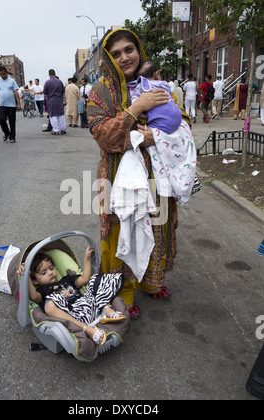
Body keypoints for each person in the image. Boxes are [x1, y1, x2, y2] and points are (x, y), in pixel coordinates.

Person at [87, 29, 190, 320]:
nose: (124, 57)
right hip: (117, 176)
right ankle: (122, 291)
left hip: (156, 177)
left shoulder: (156, 83)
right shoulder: (101, 91)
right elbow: (102, 134)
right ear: (108, 58)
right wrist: (137, 108)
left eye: (129, 49)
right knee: (122, 232)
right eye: (116, 53)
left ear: (138, 50)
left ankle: (148, 281)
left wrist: (154, 137)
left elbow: (181, 122)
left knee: (155, 229)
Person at [17, 248, 126, 346]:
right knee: (49, 305)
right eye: (44, 272)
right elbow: (34, 297)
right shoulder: (43, 291)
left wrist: (86, 259)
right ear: (35, 280)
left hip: (89, 306)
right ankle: (87, 329)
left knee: (96, 279)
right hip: (74, 317)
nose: (50, 273)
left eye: (51, 268)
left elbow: (84, 279)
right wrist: (27, 278)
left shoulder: (66, 280)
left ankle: (107, 309)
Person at [132, 61, 182, 134]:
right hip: (178, 119)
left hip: (159, 124)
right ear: (157, 74)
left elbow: (134, 101)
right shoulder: (164, 85)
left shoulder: (141, 86)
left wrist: (139, 112)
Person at [0, 66, 21, 143]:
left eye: (4, 74)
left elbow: (16, 92)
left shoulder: (12, 81)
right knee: (1, 119)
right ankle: (6, 132)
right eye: (1, 74)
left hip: (11, 105)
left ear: (6, 72)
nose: (2, 76)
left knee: (12, 122)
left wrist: (18, 104)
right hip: (1, 105)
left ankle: (12, 137)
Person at [43, 69, 66, 135]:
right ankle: (63, 129)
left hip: (51, 100)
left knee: (53, 115)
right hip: (59, 100)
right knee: (61, 115)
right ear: (55, 73)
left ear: (49, 74)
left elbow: (45, 92)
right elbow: (63, 91)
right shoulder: (59, 81)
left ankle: (56, 130)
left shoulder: (47, 82)